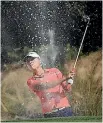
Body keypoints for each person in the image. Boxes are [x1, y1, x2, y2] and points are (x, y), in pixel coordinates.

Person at [24, 51, 75, 118]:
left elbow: (67, 89)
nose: (30, 62)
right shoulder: (30, 81)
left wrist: (70, 81)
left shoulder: (54, 71)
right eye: (27, 61)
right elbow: (45, 86)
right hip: (49, 114)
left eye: (32, 59)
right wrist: (66, 77)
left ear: (39, 60)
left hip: (65, 110)